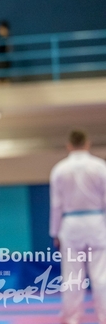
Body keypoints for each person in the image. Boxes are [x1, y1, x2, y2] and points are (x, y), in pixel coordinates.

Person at [49, 129, 106, 324]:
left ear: (69, 146)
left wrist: (55, 232)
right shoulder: (100, 167)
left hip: (71, 224)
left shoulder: (59, 169)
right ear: (87, 144)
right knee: (101, 275)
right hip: (96, 222)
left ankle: (71, 318)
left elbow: (56, 205)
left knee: (72, 276)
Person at [0, 20, 12, 85]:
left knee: (6, 79)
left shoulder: (8, 38)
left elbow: (9, 49)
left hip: (5, 60)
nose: (0, 31)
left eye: (2, 29)